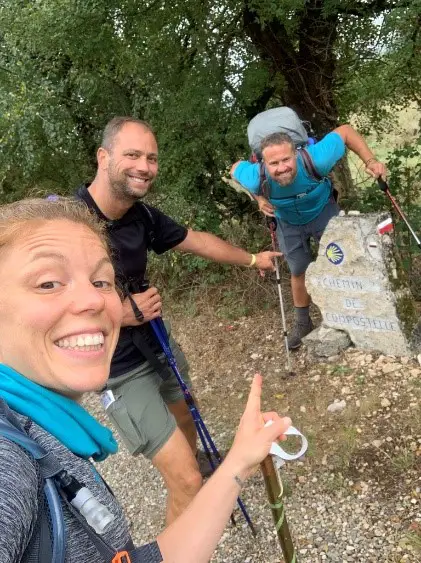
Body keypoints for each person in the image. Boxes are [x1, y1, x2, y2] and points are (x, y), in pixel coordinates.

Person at [0, 197, 291, 562]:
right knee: (185, 478)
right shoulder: (9, 456)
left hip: (155, 350)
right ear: (104, 157)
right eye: (48, 283)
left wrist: (239, 461)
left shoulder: (45, 430)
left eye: (102, 281)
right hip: (125, 371)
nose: (93, 300)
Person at [75, 116, 281, 523]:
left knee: (186, 413)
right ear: (103, 157)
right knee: (184, 482)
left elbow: (196, 241)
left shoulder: (142, 216)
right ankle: (187, 500)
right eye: (132, 154)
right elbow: (42, 293)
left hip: (158, 342)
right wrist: (120, 312)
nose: (144, 166)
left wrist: (253, 258)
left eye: (151, 158)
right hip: (116, 367)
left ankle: (196, 466)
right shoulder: (66, 221)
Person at [230, 124, 387, 349]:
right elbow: (235, 169)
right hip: (287, 221)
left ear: (296, 154)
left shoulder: (316, 159)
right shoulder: (256, 176)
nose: (282, 168)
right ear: (263, 164)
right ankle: (304, 323)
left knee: (341, 261)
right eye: (273, 163)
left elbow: (345, 132)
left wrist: (370, 162)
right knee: (299, 269)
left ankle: (355, 313)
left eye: (286, 160)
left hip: (323, 210)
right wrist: (257, 198)